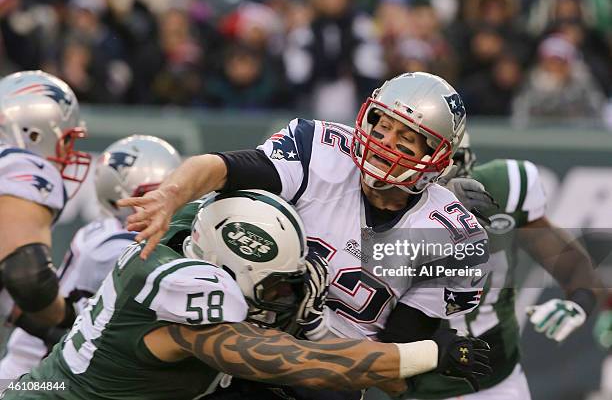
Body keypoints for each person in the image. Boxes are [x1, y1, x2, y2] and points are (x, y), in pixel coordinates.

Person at [119, 72, 491, 390]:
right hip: (238, 343)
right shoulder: (322, 150)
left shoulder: (452, 237)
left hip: (331, 382)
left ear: (435, 158)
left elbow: (392, 378)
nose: (385, 143)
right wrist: (170, 194)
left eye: (406, 138)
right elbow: (221, 167)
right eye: (383, 124)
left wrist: (313, 321)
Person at [2, 190, 491, 400]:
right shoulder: (191, 295)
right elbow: (299, 364)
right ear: (225, 270)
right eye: (273, 285)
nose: (281, 298)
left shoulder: (190, 229)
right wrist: (426, 352)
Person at [404, 133, 601, 399]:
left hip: (498, 381)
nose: (443, 179)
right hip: (414, 387)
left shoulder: (502, 191)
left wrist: (579, 301)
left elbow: (574, 267)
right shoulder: (379, 210)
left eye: (449, 165)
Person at [0, 134, 181, 382]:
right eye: (156, 194)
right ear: (123, 196)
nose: (170, 205)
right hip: (42, 376)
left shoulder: (102, 232)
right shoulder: (116, 248)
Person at [0, 71, 91, 336]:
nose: (68, 153)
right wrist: (68, 315)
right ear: (35, 134)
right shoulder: (22, 166)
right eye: (66, 141)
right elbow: (28, 279)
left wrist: (56, 328)